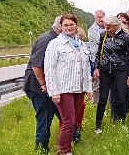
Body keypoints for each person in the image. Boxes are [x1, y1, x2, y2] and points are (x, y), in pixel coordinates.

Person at [44, 14, 93, 155]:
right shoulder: (55, 44)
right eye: (65, 25)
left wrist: (88, 88)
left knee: (75, 121)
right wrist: (54, 91)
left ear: (76, 26)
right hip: (63, 89)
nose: (68, 27)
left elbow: (86, 68)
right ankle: (63, 150)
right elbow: (49, 69)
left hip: (79, 89)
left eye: (71, 24)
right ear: (61, 27)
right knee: (68, 121)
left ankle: (67, 147)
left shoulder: (81, 44)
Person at [23, 16, 62, 153]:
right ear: (59, 27)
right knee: (44, 117)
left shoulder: (56, 39)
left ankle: (74, 138)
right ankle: (41, 148)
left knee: (63, 114)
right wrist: (44, 84)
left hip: (48, 85)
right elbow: (36, 65)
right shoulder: (47, 40)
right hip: (38, 86)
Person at [93, 16, 129, 134]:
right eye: (105, 27)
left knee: (121, 97)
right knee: (103, 98)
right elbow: (98, 53)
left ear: (116, 25)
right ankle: (98, 125)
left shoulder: (126, 37)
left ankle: (122, 122)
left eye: (108, 27)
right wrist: (96, 68)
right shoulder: (103, 35)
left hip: (120, 69)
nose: (106, 29)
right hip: (105, 69)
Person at [87, 10, 105, 105]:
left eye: (102, 17)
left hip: (105, 58)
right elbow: (100, 40)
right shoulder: (92, 29)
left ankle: (104, 104)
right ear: (95, 18)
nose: (101, 19)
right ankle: (95, 103)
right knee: (96, 82)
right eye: (99, 17)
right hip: (96, 59)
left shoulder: (106, 27)